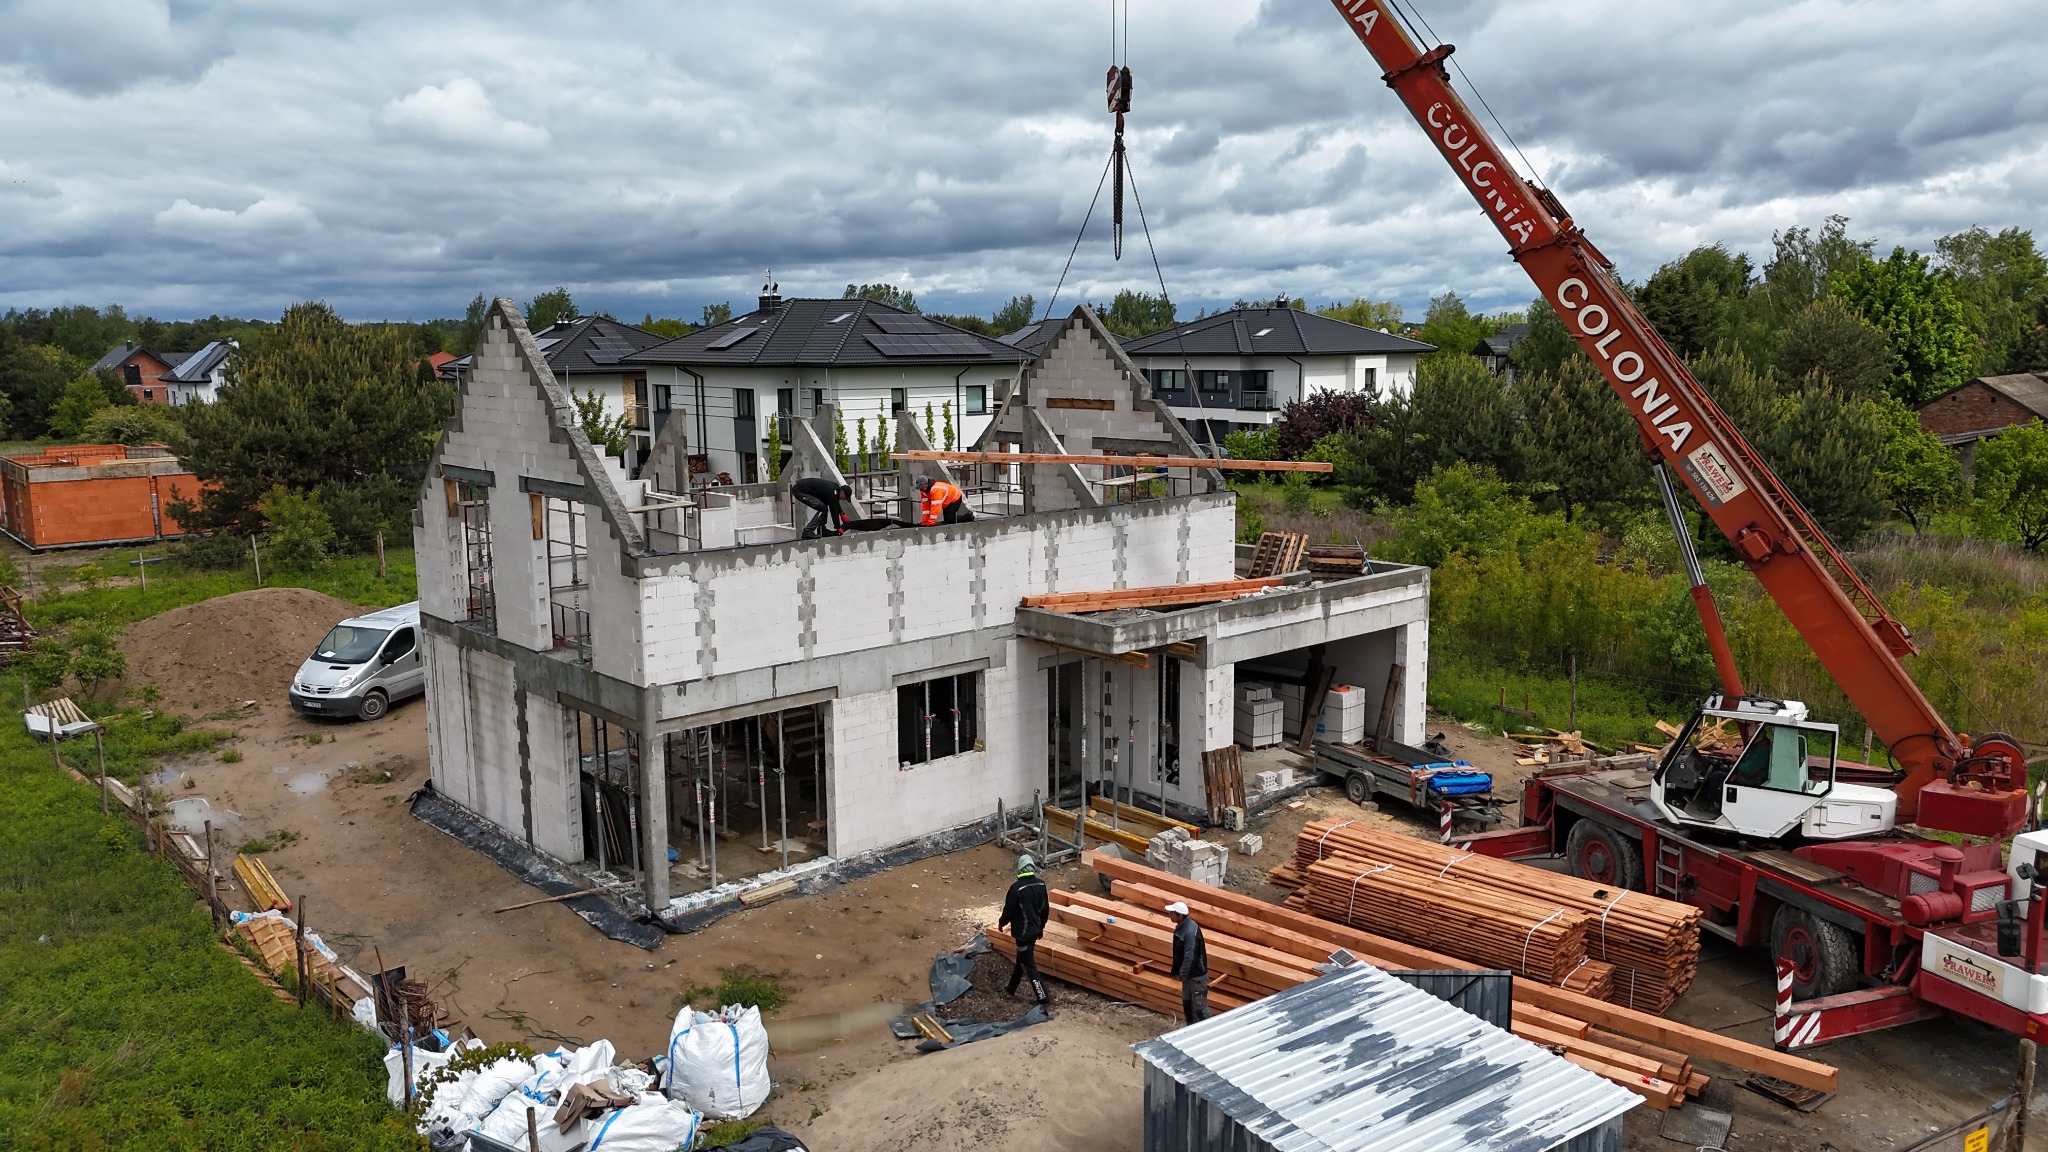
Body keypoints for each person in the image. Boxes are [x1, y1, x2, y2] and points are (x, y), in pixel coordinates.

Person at [999, 853, 1050, 1007]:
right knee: (1021, 959)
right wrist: (1041, 926)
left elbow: (1009, 910)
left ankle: (1043, 998)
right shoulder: (1041, 885)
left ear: (1020, 868)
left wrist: (1002, 922)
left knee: (1028, 965)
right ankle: (1010, 989)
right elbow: (1045, 910)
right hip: (1034, 931)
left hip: (1022, 933)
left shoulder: (1016, 889)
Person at [1165, 901, 1209, 1023]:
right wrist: (1177, 971)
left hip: (1196, 977)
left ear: (1179, 915)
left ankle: (1209, 1031)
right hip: (1188, 975)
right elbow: (1178, 953)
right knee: (1188, 1005)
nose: (1169, 915)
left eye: (1172, 913)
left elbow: (1190, 955)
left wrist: (1183, 973)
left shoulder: (1189, 931)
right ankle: (1191, 1029)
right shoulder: (1182, 927)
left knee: (1200, 1009)